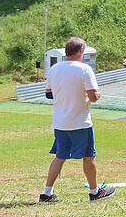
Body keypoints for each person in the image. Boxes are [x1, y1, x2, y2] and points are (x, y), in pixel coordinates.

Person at [41, 37, 115, 203]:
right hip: (80, 122)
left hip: (60, 122)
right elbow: (94, 96)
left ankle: (47, 193)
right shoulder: (84, 69)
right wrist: (96, 94)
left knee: (60, 156)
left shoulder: (54, 69)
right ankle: (95, 192)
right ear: (81, 52)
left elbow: (49, 94)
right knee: (89, 156)